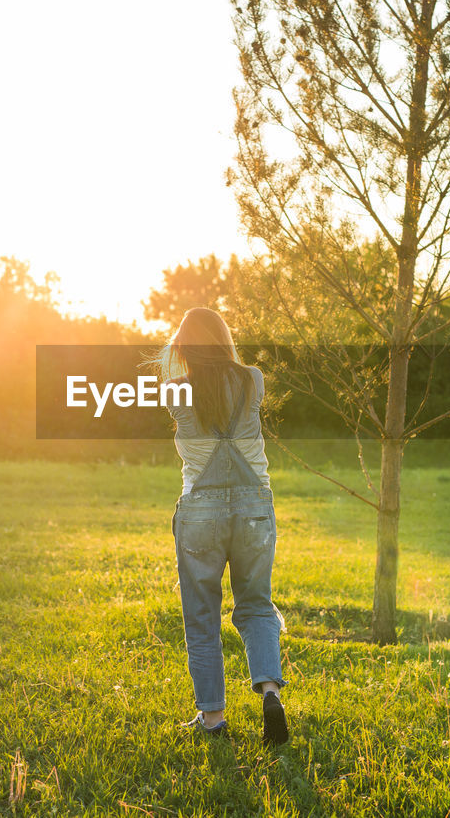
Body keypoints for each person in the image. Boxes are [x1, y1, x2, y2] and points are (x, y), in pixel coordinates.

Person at [148, 307, 289, 744]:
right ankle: (269, 690)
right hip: (254, 509)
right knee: (257, 606)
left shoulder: (175, 392)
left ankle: (213, 718)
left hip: (200, 513)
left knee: (202, 618)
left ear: (185, 347)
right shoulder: (253, 379)